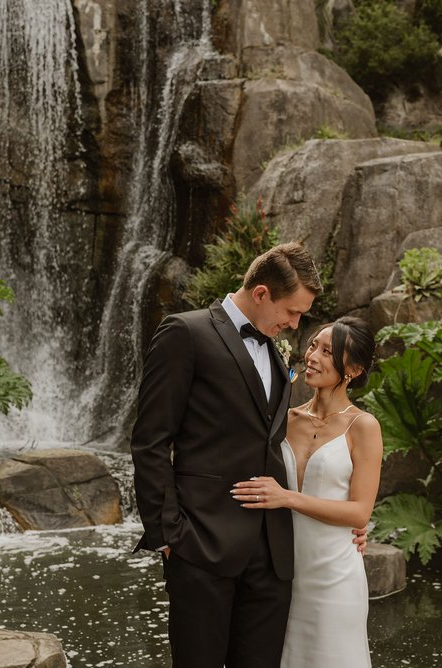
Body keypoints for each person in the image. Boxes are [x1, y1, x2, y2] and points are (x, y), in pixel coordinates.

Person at [131, 242, 331, 668]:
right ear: (261, 293)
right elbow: (150, 440)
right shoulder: (185, 333)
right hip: (201, 543)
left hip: (271, 552)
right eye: (292, 312)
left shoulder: (277, 349)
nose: (296, 324)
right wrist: (168, 536)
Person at [231, 316, 382, 668]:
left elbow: (360, 512)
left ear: (354, 369)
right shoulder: (285, 418)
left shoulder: (364, 427)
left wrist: (287, 497)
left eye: (328, 352)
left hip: (334, 576)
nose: (312, 356)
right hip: (281, 573)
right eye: (313, 345)